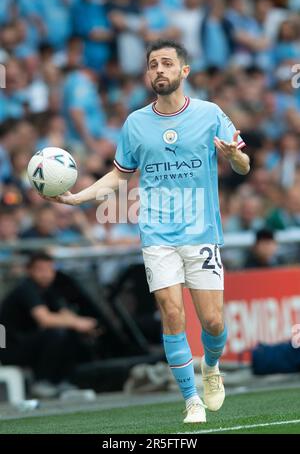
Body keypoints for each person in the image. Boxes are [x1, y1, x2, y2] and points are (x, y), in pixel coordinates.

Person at [43, 40, 250, 423]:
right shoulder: (136, 123)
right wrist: (78, 199)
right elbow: (118, 176)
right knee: (172, 314)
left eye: (167, 63)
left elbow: (244, 166)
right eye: (153, 64)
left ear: (183, 71)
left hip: (202, 232)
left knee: (214, 323)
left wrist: (234, 155)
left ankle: (212, 367)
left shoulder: (210, 114)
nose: (159, 69)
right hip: (157, 234)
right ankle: (191, 400)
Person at [0, 251, 108, 396]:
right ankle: (42, 381)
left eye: (50, 270)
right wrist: (77, 323)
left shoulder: (49, 291)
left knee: (69, 331)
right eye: (41, 270)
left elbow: (64, 314)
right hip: (10, 348)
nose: (46, 274)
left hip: (30, 343)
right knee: (57, 332)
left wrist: (84, 324)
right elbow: (45, 320)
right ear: (29, 271)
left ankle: (63, 381)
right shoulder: (26, 289)